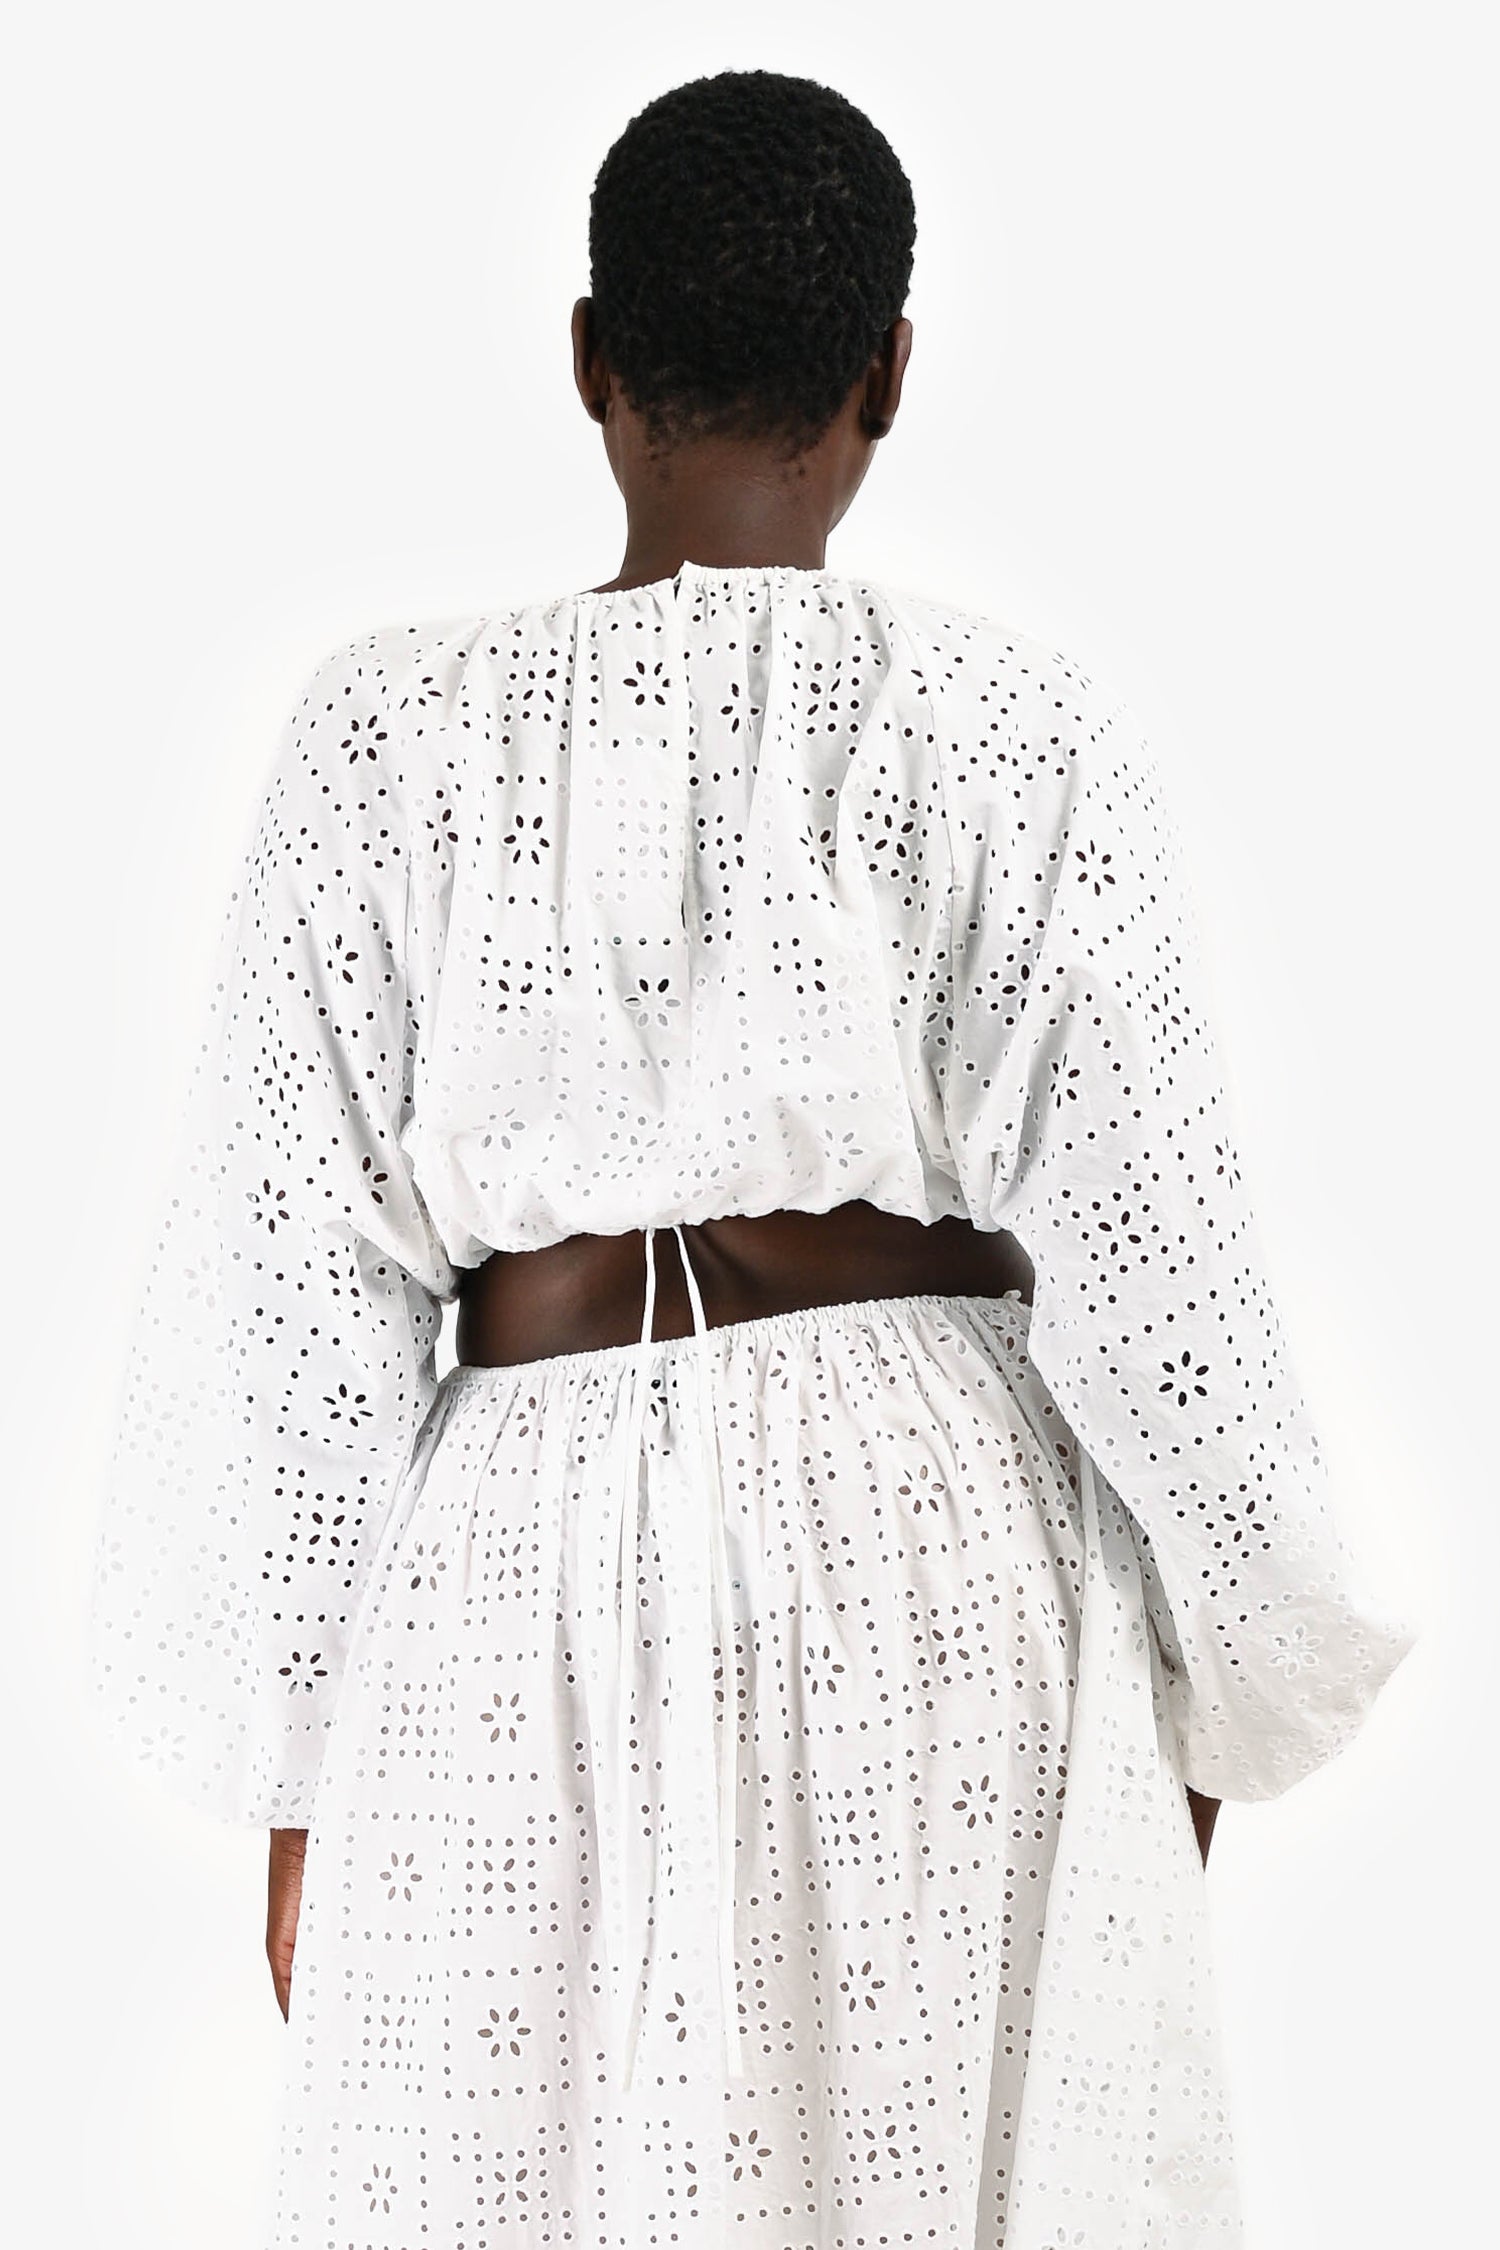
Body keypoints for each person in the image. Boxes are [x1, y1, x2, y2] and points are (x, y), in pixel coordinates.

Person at [88, 65, 1419, 2249]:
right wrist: (1225, 1674)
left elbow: (288, 1302)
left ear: (588, 358)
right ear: (887, 371)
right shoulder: (1011, 727)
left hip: (515, 1568)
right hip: (949, 1557)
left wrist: (294, 1770)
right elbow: (1158, 1256)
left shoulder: (382, 742)